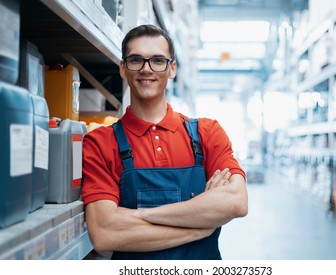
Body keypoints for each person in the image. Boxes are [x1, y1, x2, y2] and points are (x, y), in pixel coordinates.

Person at [81, 24, 248, 260]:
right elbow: (105, 232)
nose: (146, 69)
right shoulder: (100, 142)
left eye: (158, 60)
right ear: (123, 68)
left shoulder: (207, 133)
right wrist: (199, 224)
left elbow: (236, 202)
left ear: (172, 69)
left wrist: (137, 216)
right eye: (136, 60)